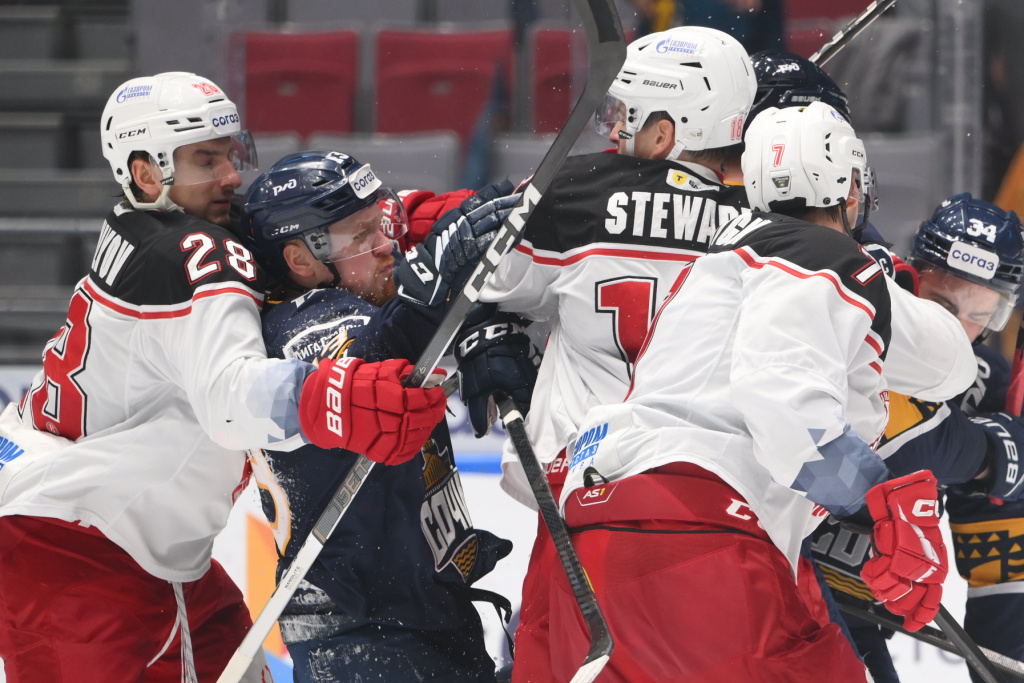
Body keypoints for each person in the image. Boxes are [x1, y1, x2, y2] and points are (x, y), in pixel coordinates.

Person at [0, 73, 449, 682]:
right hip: (69, 554)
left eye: (231, 154)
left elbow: (290, 222)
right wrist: (335, 397)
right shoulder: (196, 253)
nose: (232, 176)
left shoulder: (155, 226)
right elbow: (229, 399)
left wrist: (402, 219)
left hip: (146, 548)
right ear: (147, 173)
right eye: (206, 160)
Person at [550, 101, 977, 681]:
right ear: (847, 184)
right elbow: (785, 409)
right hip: (701, 541)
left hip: (593, 539)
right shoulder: (825, 261)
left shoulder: (716, 260)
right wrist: (878, 500)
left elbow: (944, 361)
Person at [473, 25, 756, 680]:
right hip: (717, 515)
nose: (614, 130)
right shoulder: (769, 226)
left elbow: (473, 281)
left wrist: (491, 329)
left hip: (584, 508)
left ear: (667, 130)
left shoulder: (573, 192)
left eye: (628, 115)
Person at [240, 150, 534, 682]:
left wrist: (476, 318)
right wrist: (432, 281)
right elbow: (365, 362)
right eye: (361, 236)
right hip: (357, 635)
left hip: (419, 618)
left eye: (381, 226)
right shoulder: (295, 327)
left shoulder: (361, 296)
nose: (386, 247)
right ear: (301, 260)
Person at [811, 194, 1024, 683]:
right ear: (907, 277)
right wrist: (988, 455)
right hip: (778, 567)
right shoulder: (852, 314)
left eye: (981, 315)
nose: (956, 327)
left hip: (858, 610)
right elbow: (913, 437)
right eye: (942, 302)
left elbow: (1002, 574)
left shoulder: (985, 387)